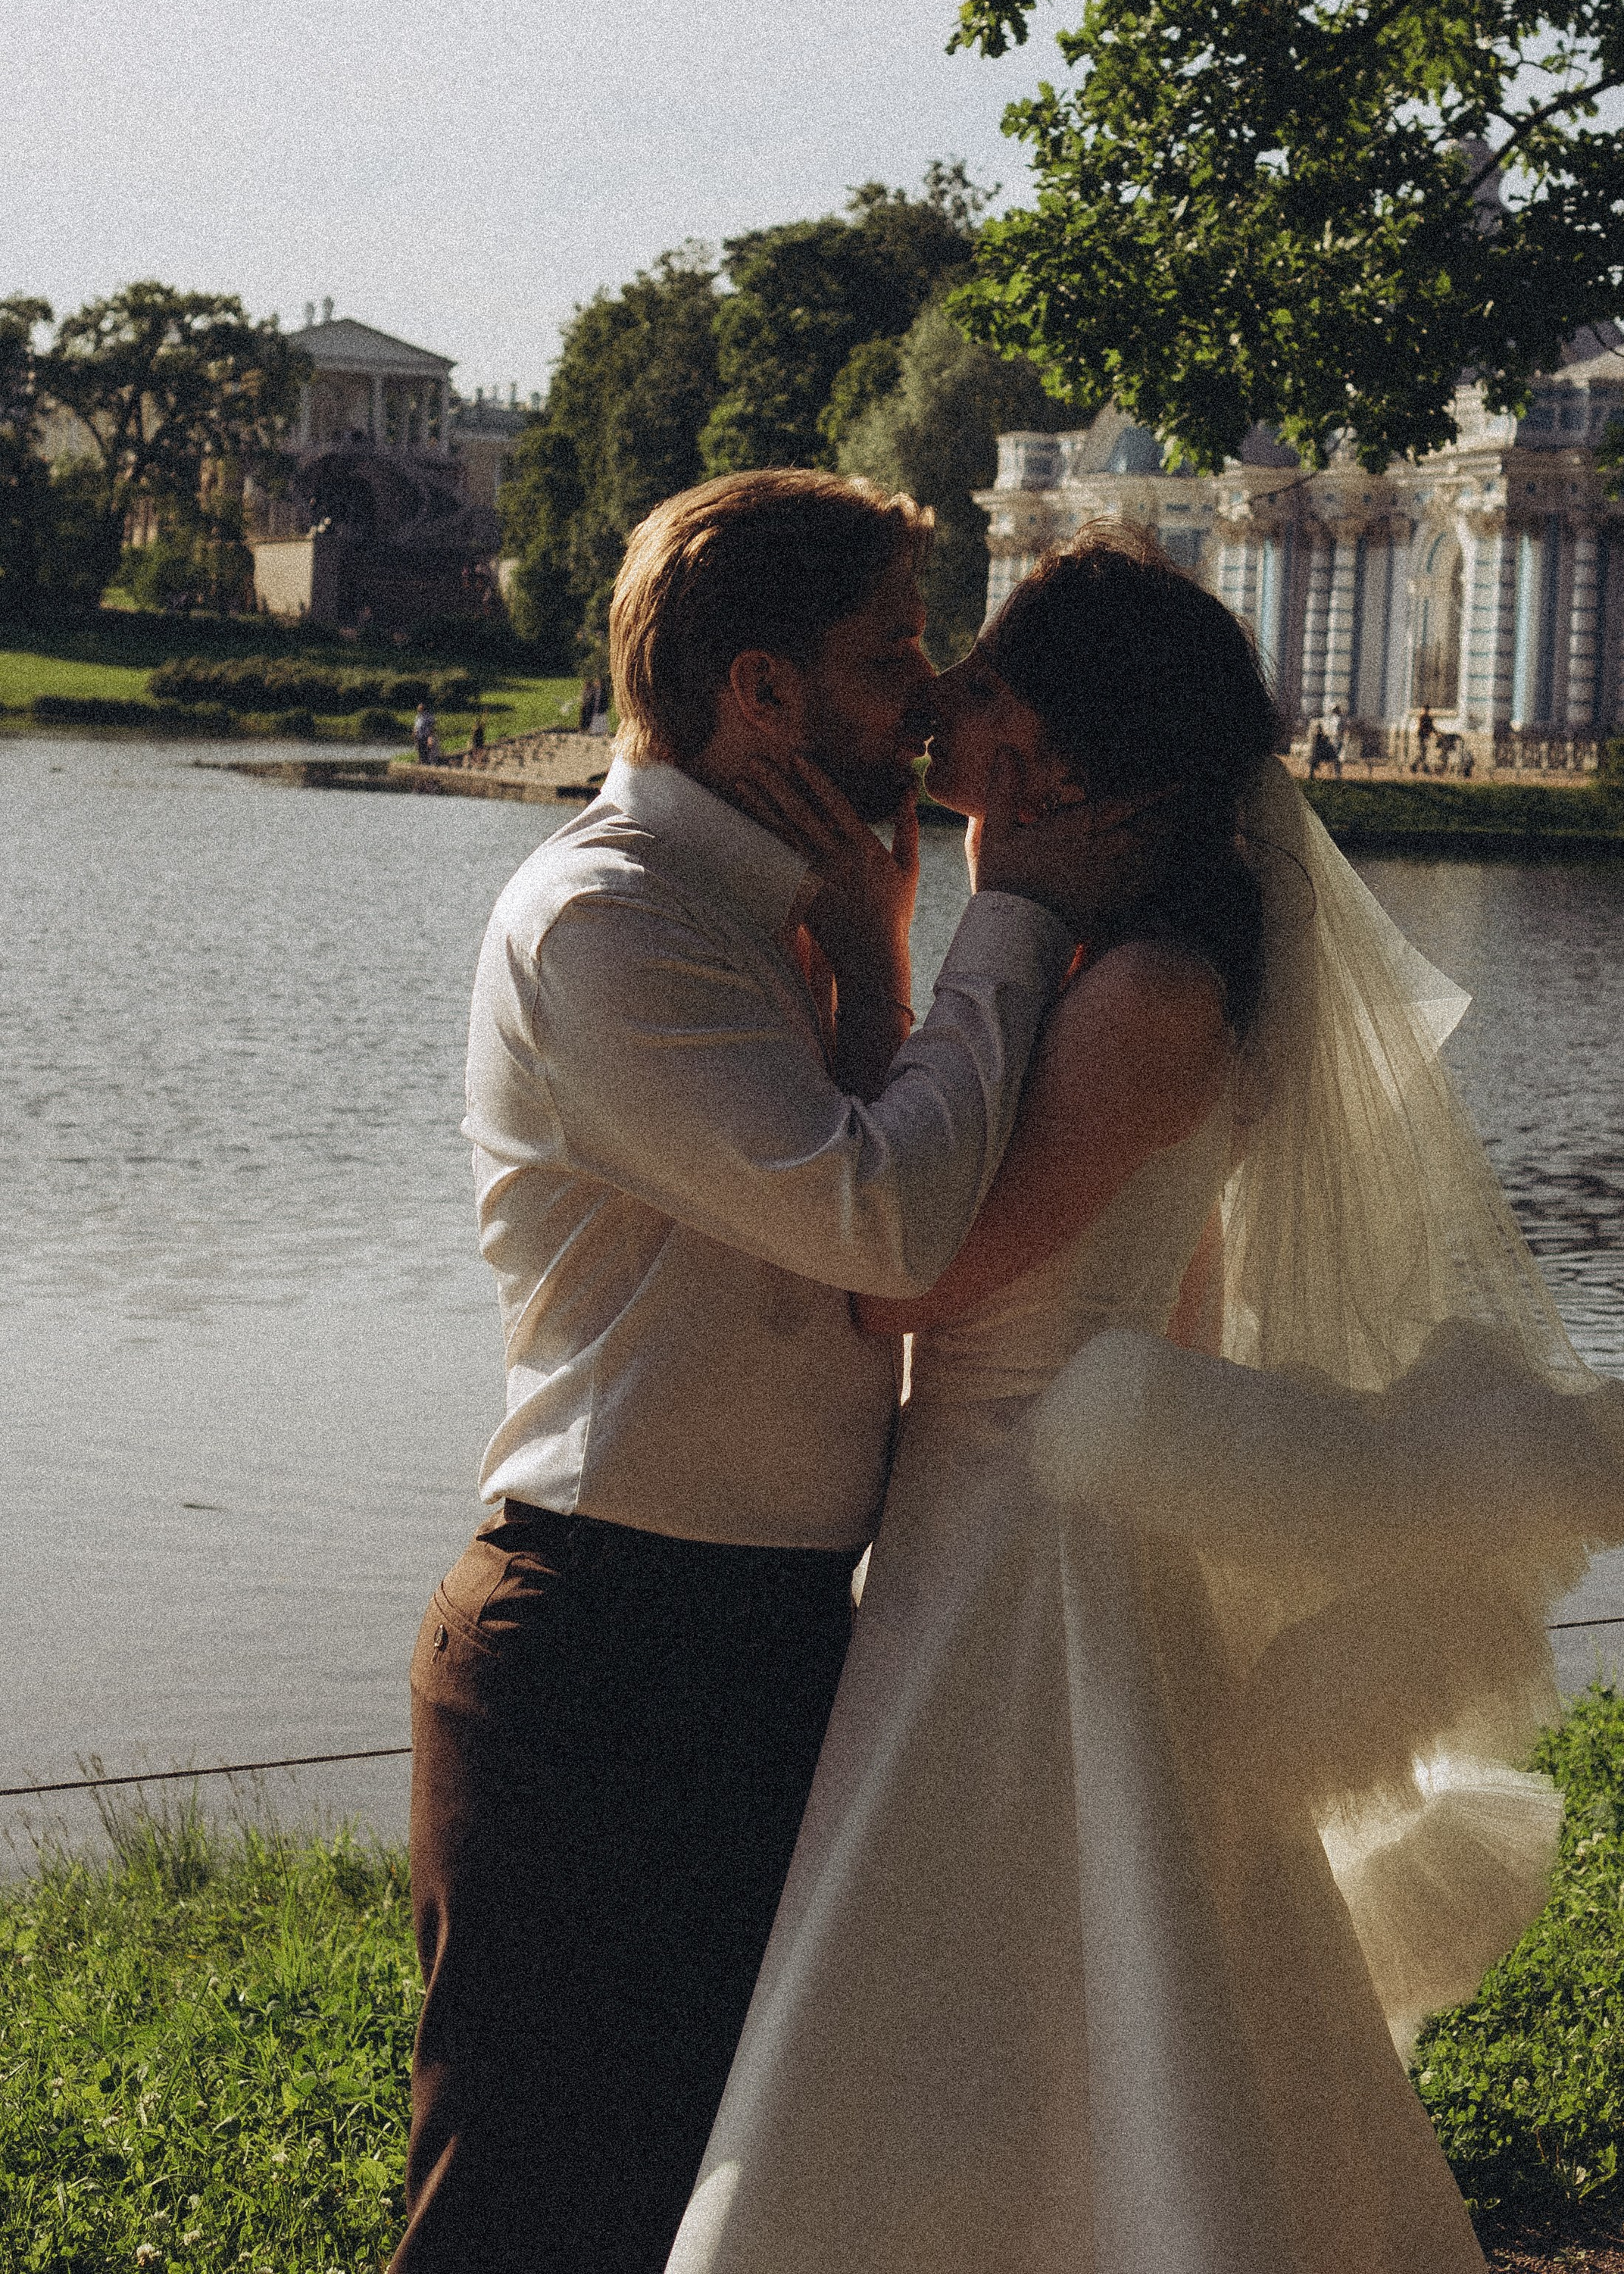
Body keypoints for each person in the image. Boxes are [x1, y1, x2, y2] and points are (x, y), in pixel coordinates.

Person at [669, 528, 1624, 2274]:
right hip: (1004, 1509)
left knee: (1019, 1965)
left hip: (1028, 1542)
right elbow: (1169, 1291)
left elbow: (901, 1277)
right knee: (1031, 1979)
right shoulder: (1110, 968)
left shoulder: (1144, 993)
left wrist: (873, 942)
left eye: (979, 680)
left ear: (1051, 753)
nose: (937, 703)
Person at [390, 473, 1137, 2274]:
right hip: (604, 1648)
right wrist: (1010, 918)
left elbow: (874, 1181)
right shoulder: (612, 921)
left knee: (725, 2200)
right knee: (527, 2212)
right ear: (763, 692)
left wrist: (884, 961)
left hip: (768, 1636)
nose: (937, 699)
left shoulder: (779, 904)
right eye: (893, 658)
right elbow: (880, 1225)